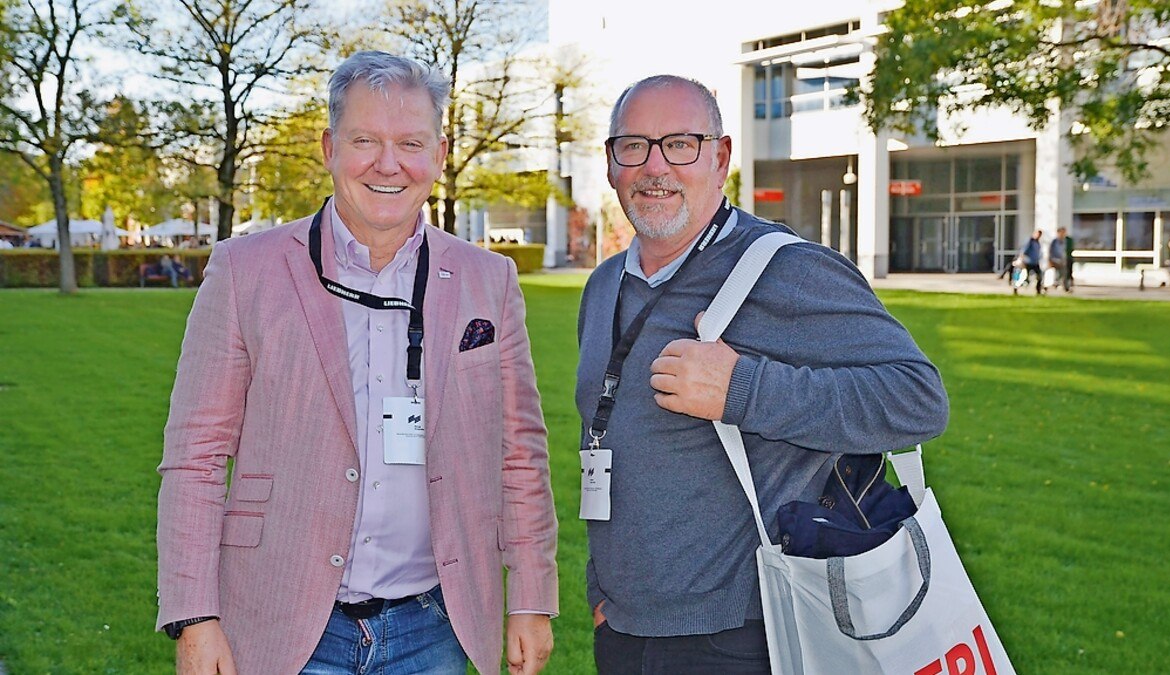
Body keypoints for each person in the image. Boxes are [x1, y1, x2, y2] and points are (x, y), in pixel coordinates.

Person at [156, 51, 558, 675]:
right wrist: (193, 614)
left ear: (441, 154)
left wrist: (531, 596)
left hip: (437, 627)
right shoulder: (245, 271)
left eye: (411, 143)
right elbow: (196, 455)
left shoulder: (490, 280)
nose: (388, 164)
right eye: (365, 140)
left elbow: (520, 452)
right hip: (280, 624)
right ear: (329, 148)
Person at [575, 74, 950, 673]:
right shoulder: (603, 289)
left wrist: (743, 389)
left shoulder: (785, 268)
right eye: (634, 146)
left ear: (720, 158)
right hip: (623, 628)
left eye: (680, 144)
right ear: (611, 163)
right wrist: (602, 588)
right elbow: (602, 437)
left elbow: (918, 399)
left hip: (745, 633)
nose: (654, 166)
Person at [1019, 229, 1045, 294]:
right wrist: (1022, 260)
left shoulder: (1038, 243)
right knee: (1025, 277)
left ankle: (1038, 290)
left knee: (1039, 276)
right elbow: (1023, 251)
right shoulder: (1030, 241)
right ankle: (1017, 288)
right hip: (1028, 262)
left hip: (1035, 262)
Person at [1048, 227, 1074, 292]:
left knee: (1065, 273)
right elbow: (1050, 251)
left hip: (1064, 260)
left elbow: (1070, 249)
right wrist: (1050, 259)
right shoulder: (1054, 241)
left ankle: (1065, 287)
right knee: (1058, 273)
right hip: (1056, 260)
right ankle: (1056, 284)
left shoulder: (1067, 240)